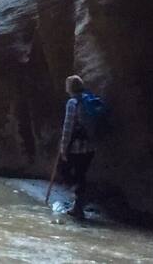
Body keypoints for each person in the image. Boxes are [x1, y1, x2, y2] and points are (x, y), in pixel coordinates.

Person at [58, 74, 97, 218]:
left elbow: (68, 127)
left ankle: (79, 203)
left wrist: (63, 148)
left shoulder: (72, 103)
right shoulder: (88, 99)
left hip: (76, 147)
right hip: (90, 147)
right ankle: (79, 204)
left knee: (66, 171)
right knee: (81, 174)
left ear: (70, 87)